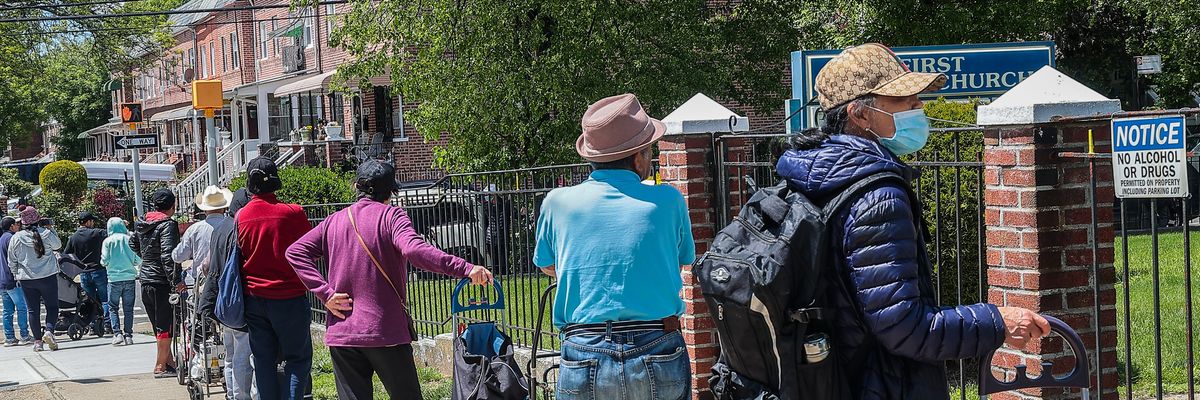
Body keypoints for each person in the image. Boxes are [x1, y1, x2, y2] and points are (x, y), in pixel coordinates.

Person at [776, 43, 1050, 399]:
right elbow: (903, 326)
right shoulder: (878, 196)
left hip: (827, 379)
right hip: (879, 385)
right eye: (904, 100)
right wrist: (998, 322)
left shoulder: (812, 177)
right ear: (859, 114)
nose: (919, 108)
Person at [286, 160, 495, 400]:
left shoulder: (334, 220)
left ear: (356, 186)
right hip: (383, 330)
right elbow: (415, 251)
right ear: (392, 191)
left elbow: (295, 252)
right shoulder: (392, 216)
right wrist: (465, 268)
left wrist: (325, 293)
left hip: (342, 332)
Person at [533, 93, 695, 400]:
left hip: (583, 344)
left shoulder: (556, 203)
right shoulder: (668, 200)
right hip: (656, 341)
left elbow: (547, 265)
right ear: (637, 157)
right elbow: (683, 259)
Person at [238, 157, 313, 400]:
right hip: (290, 297)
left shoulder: (241, 216)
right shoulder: (293, 213)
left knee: (263, 361)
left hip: (255, 299)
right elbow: (310, 249)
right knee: (297, 358)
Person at [133, 188, 183, 377]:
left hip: (145, 279)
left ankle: (169, 362)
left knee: (158, 325)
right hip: (161, 281)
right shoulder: (168, 225)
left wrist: (146, 257)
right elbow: (168, 256)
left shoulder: (142, 223)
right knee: (166, 325)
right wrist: (176, 280)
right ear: (173, 205)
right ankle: (160, 366)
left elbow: (133, 243)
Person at [8, 207, 63, 352]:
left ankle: (38, 342)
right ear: (37, 219)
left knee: (33, 310)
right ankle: (49, 331)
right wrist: (50, 229)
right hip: (48, 276)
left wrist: (16, 274)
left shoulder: (16, 237)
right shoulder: (46, 233)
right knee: (52, 306)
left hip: (27, 278)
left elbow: (11, 260)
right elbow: (58, 245)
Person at [172, 186, 232, 286]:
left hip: (202, 281)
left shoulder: (194, 229)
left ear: (204, 209)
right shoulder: (232, 226)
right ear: (224, 207)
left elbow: (178, 256)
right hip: (227, 281)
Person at [63, 211, 109, 332]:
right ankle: (108, 324)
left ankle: (93, 325)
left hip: (83, 272)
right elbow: (111, 232)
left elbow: (67, 254)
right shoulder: (97, 233)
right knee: (105, 299)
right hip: (98, 270)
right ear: (88, 222)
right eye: (92, 221)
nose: (93, 223)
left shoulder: (73, 237)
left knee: (90, 301)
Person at [102, 217, 141, 346]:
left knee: (113, 307)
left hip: (113, 279)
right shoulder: (129, 239)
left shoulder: (108, 241)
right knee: (128, 308)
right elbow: (137, 260)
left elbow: (104, 260)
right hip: (129, 278)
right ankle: (128, 335)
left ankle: (117, 333)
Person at [0, 217, 32, 346]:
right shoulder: (12, 238)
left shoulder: (1, 239)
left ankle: (9, 337)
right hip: (13, 278)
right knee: (22, 307)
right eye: (16, 224)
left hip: (2, 280)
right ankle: (24, 335)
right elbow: (18, 258)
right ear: (12, 226)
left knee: (7, 311)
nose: (18, 226)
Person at [481, 185, 515, 274]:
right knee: (494, 263)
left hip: (502, 238)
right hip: (490, 238)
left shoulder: (505, 205)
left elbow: (514, 213)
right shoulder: (487, 207)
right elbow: (486, 222)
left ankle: (504, 276)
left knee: (503, 262)